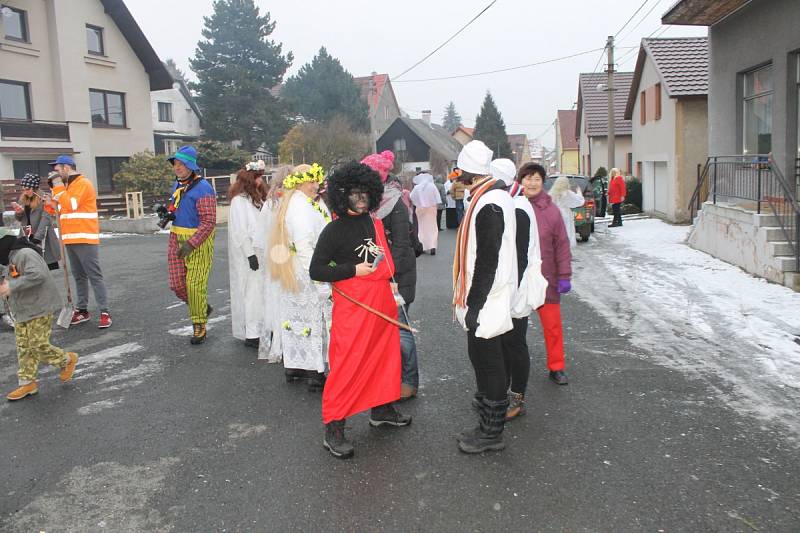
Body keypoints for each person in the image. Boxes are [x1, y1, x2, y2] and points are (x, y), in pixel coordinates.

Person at [310, 161, 411, 459]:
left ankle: (381, 409)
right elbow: (316, 270)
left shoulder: (375, 222)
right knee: (348, 365)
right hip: (354, 309)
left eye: (365, 191)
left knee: (384, 358)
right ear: (343, 195)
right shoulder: (334, 230)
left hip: (381, 303)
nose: (361, 197)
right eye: (354, 192)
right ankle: (334, 426)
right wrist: (352, 269)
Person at [452, 141, 517, 454]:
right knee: (481, 357)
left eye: (459, 169)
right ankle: (487, 421)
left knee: (489, 361)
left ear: (468, 171)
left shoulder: (489, 202)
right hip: (487, 293)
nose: (457, 175)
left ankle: (492, 433)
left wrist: (474, 304)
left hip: (488, 295)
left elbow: (487, 259)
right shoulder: (490, 196)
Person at [492, 159, 548, 420]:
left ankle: (517, 397)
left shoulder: (518, 208)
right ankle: (502, 392)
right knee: (503, 342)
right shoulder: (510, 203)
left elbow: (521, 255)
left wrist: (511, 291)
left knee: (515, 343)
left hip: (517, 288)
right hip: (507, 287)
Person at [269, 163, 331, 390]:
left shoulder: (301, 202)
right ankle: (315, 371)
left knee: (298, 320)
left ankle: (296, 366)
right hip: (307, 271)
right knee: (313, 320)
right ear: (299, 182)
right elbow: (305, 245)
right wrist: (319, 277)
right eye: (311, 181)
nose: (316, 186)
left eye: (317, 180)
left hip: (300, 270)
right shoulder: (300, 206)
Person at [363, 150, 419, 400]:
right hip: (378, 274)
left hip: (397, 276)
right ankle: (389, 379)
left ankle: (409, 381)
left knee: (401, 329)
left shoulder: (394, 201)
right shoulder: (369, 202)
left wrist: (388, 275)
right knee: (382, 331)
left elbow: (402, 245)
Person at [0, 229, 78, 401]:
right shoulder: (8, 259)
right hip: (22, 310)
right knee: (23, 347)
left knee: (37, 345)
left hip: (39, 307)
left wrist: (11, 287)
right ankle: (27, 383)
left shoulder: (25, 254)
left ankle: (66, 360)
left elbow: (38, 275)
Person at [518, 163, 572, 385]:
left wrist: (564, 276)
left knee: (552, 326)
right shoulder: (512, 205)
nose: (532, 183)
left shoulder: (552, 211)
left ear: (543, 182)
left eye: (537, 179)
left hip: (546, 278)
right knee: (513, 328)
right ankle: (514, 367)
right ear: (520, 181)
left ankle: (556, 366)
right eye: (528, 178)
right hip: (518, 280)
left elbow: (562, 245)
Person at [48, 155, 111, 328]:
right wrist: (49, 201)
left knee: (94, 275)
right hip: (70, 238)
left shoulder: (83, 184)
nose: (56, 173)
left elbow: (72, 204)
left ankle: (104, 312)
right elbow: (60, 209)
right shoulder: (66, 186)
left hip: (85, 237)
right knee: (78, 276)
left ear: (66, 168)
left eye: (58, 170)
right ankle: (82, 310)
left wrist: (58, 188)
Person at [165, 146, 217, 345]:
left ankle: (199, 324)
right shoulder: (177, 185)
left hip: (198, 241)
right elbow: (178, 208)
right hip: (175, 237)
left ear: (190, 166)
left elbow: (209, 221)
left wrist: (192, 243)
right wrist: (169, 213)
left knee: (194, 286)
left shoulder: (204, 188)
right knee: (177, 284)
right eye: (175, 164)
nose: (177, 168)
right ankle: (201, 307)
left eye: (181, 164)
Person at [228, 162, 268, 348]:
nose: (261, 180)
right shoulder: (239, 202)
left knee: (261, 292)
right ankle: (252, 333)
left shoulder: (256, 199)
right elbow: (240, 231)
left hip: (262, 252)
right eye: (258, 177)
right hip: (249, 255)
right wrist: (250, 254)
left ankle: (262, 329)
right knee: (251, 293)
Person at [256, 165, 292, 363]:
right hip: (288, 256)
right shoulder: (292, 202)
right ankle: (288, 342)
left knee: (275, 298)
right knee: (288, 297)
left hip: (274, 256)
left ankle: (278, 341)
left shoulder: (271, 203)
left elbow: (260, 235)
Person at [11, 174, 60, 270]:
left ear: (35, 188)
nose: (25, 191)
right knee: (30, 267)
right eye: (23, 189)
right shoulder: (23, 198)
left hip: (42, 236)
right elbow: (19, 219)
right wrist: (19, 213)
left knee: (44, 267)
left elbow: (46, 219)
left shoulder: (45, 198)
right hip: (26, 235)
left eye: (28, 189)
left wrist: (37, 238)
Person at [549, 176, 585, 249]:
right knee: (566, 231)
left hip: (554, 214)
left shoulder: (551, 193)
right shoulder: (568, 193)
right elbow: (579, 201)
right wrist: (579, 191)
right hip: (565, 214)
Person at [410, 172, 440, 255]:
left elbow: (411, 197)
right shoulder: (432, 186)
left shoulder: (417, 187)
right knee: (433, 228)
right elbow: (437, 198)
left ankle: (422, 245)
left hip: (420, 209)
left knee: (422, 228)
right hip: (431, 208)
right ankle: (433, 246)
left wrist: (418, 203)